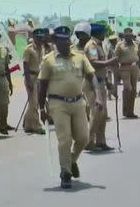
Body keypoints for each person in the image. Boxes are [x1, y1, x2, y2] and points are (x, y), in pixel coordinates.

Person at [38, 26, 103, 189]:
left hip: (78, 102)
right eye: (62, 39)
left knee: (83, 138)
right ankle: (65, 172)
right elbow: (42, 85)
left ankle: (72, 160)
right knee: (64, 139)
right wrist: (41, 109)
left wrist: (99, 97)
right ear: (56, 42)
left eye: (67, 39)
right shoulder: (48, 60)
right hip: (58, 104)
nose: (66, 42)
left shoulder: (80, 57)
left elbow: (92, 76)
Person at [84, 23, 117, 151]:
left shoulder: (99, 45)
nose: (105, 35)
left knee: (103, 115)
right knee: (96, 113)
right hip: (92, 84)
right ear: (98, 33)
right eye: (103, 33)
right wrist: (110, 61)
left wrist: (108, 81)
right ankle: (89, 142)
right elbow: (93, 63)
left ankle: (101, 141)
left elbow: (103, 67)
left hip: (101, 82)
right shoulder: (91, 45)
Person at [23, 28, 48, 134]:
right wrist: (28, 81)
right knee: (34, 102)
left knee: (34, 102)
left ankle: (27, 124)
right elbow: (25, 65)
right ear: (33, 37)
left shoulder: (42, 48)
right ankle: (36, 125)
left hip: (40, 77)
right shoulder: (29, 49)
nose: (40, 39)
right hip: (31, 77)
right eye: (38, 37)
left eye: (41, 37)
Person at [115, 27, 140, 118]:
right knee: (128, 88)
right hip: (124, 68)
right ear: (124, 36)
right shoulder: (120, 45)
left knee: (133, 90)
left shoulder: (136, 44)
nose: (128, 37)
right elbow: (115, 59)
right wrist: (116, 75)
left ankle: (131, 111)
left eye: (130, 35)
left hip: (135, 67)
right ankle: (125, 110)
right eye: (126, 35)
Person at [0, 28, 13, 137]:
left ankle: (2, 126)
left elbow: (7, 67)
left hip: (2, 79)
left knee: (3, 105)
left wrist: (10, 83)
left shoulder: (4, 49)